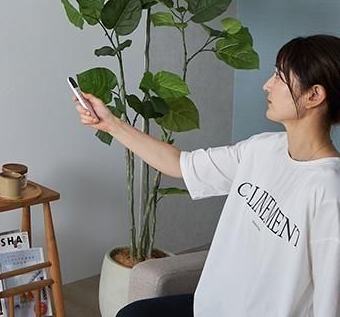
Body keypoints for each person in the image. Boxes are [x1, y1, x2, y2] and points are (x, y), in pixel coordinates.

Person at [72, 34, 340, 316]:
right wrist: (110, 124)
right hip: (211, 307)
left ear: (313, 95)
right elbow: (180, 164)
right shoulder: (262, 149)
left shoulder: (329, 190)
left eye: (279, 77)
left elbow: (329, 298)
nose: (267, 85)